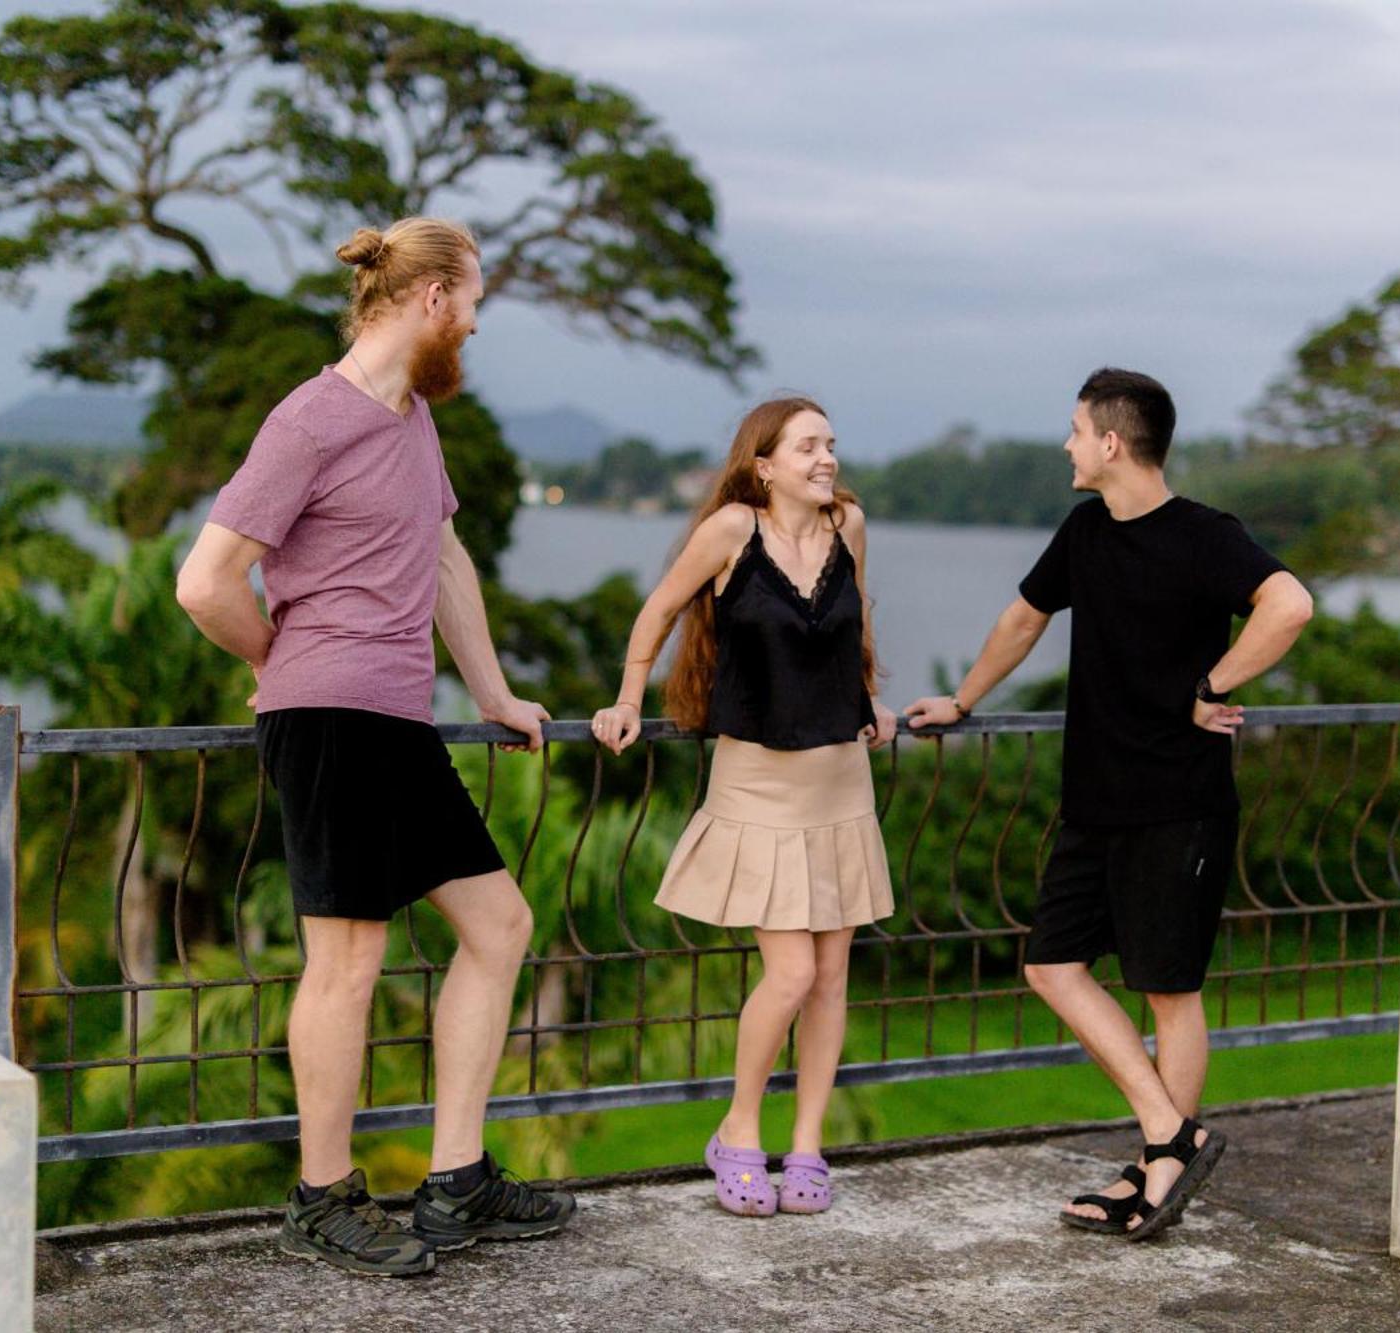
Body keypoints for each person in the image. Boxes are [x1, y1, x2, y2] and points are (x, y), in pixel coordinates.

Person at [176, 217, 575, 1277]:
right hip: (328, 719)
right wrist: (281, 663)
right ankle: (320, 1196)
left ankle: (454, 1180)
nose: (478, 325)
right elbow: (204, 579)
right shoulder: (308, 421)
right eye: (475, 302)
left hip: (398, 718)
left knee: (498, 922)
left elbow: (443, 559)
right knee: (347, 959)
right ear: (431, 296)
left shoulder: (411, 422)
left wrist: (490, 690)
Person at [906, 368, 1313, 1241]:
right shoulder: (1086, 529)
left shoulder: (1207, 535)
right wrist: (965, 700)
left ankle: (1158, 1168)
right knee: (1051, 964)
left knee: (1170, 989)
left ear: (1111, 443)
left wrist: (1214, 682)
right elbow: (1023, 619)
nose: (1066, 444)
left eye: (1075, 429)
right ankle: (1172, 1132)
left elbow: (1290, 603)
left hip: (1181, 802)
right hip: (1095, 799)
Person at [591, 396, 898, 1217]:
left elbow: (853, 623)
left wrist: (871, 698)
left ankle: (806, 1146)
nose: (826, 457)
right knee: (791, 970)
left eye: (831, 442)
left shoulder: (850, 527)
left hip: (840, 774)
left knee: (831, 975)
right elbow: (658, 610)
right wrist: (627, 698)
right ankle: (737, 1130)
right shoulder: (732, 530)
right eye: (808, 445)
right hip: (756, 778)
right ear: (764, 463)